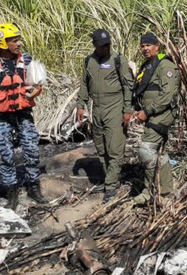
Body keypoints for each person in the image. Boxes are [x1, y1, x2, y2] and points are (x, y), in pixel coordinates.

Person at [0, 22, 47, 210]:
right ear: (3, 43)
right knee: (6, 154)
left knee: (32, 149)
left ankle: (33, 187)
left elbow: (38, 84)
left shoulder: (26, 61)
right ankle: (11, 192)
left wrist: (36, 91)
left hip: (23, 113)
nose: (19, 43)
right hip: (1, 116)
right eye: (14, 40)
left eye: (19, 39)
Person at [76, 29, 134, 202]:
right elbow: (84, 84)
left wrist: (127, 110)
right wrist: (81, 105)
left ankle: (111, 186)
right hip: (97, 108)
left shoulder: (118, 60)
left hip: (115, 107)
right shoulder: (89, 61)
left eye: (108, 44)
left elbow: (128, 86)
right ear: (95, 45)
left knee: (115, 148)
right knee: (101, 147)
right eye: (102, 46)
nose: (106, 48)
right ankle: (108, 178)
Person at [131, 32, 179, 205]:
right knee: (160, 153)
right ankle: (163, 192)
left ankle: (152, 192)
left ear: (157, 46)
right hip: (151, 114)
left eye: (148, 45)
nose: (145, 48)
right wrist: (137, 110)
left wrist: (147, 111)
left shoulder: (165, 65)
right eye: (142, 45)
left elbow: (168, 95)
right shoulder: (146, 66)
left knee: (146, 149)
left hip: (162, 114)